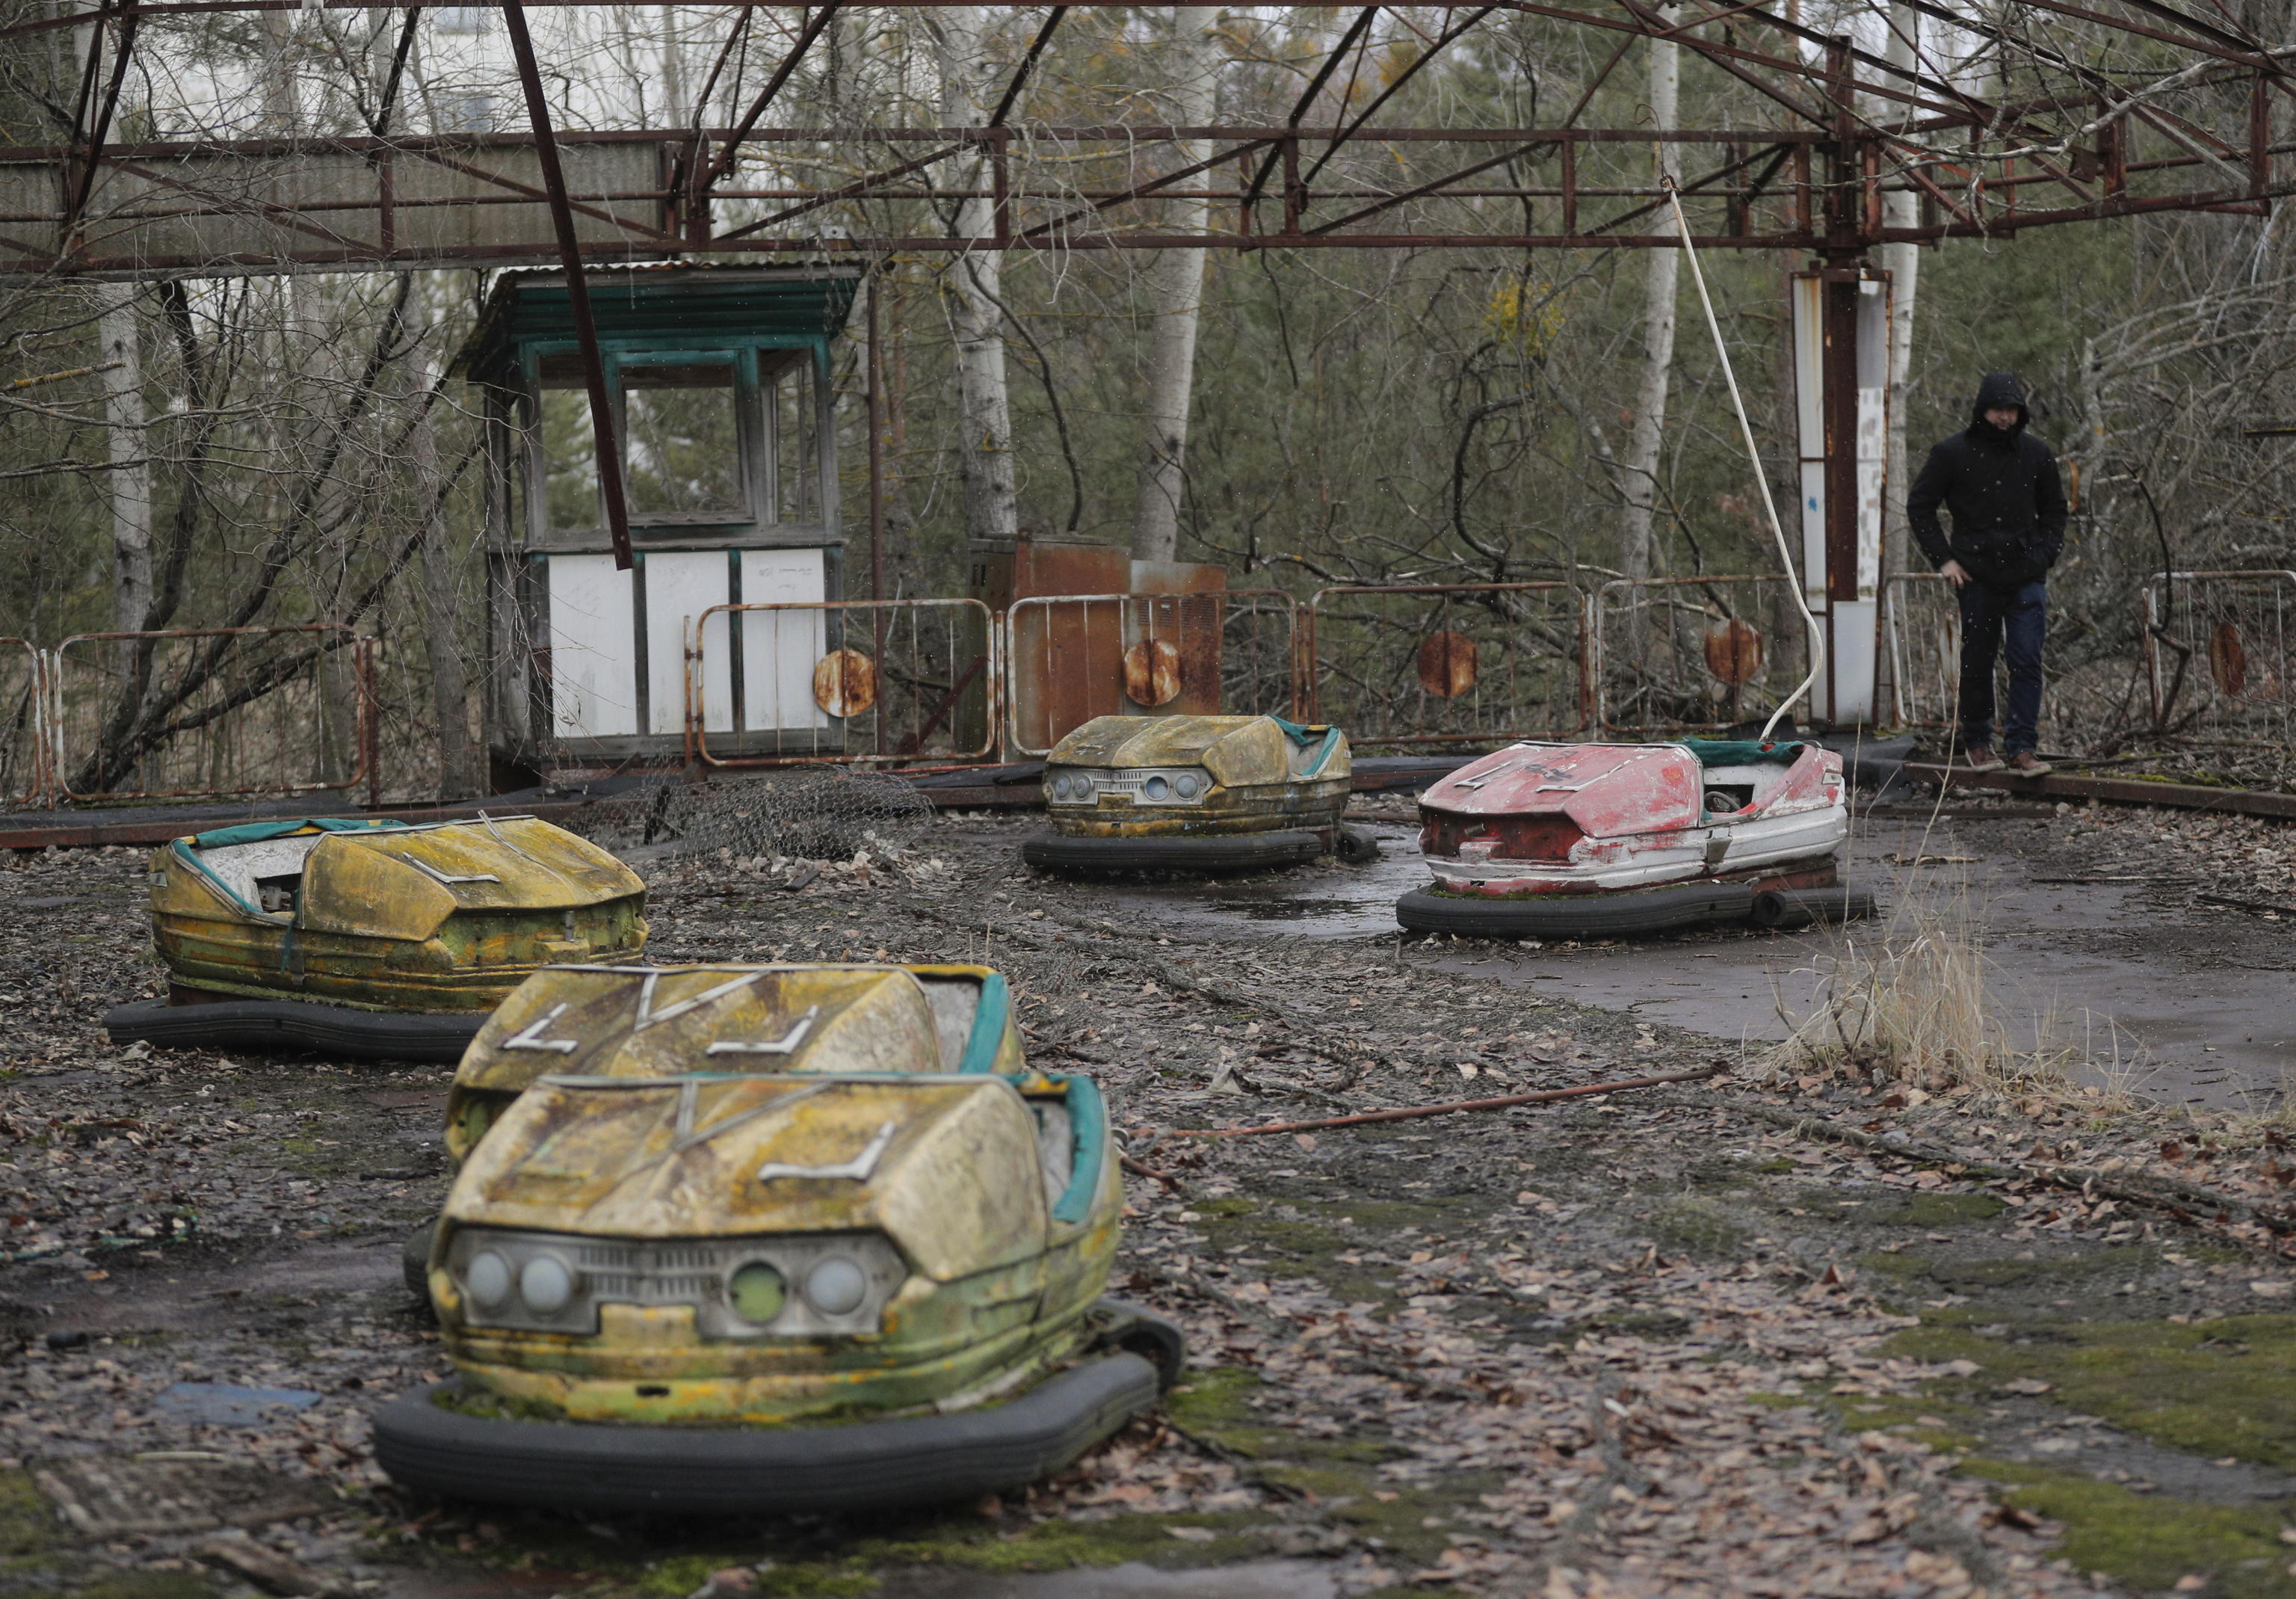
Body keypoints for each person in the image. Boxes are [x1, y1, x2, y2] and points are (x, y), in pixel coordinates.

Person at [1905, 372, 2069, 776]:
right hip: (1975, 575)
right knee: (1978, 658)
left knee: (2027, 659)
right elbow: (1920, 506)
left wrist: (2046, 554)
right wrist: (1944, 559)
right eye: (1998, 409)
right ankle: (1978, 743)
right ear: (1983, 410)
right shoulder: (1951, 454)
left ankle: (2022, 748)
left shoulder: (2036, 454)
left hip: (2026, 572)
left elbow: (2055, 511)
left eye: (2012, 410)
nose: (2005, 418)